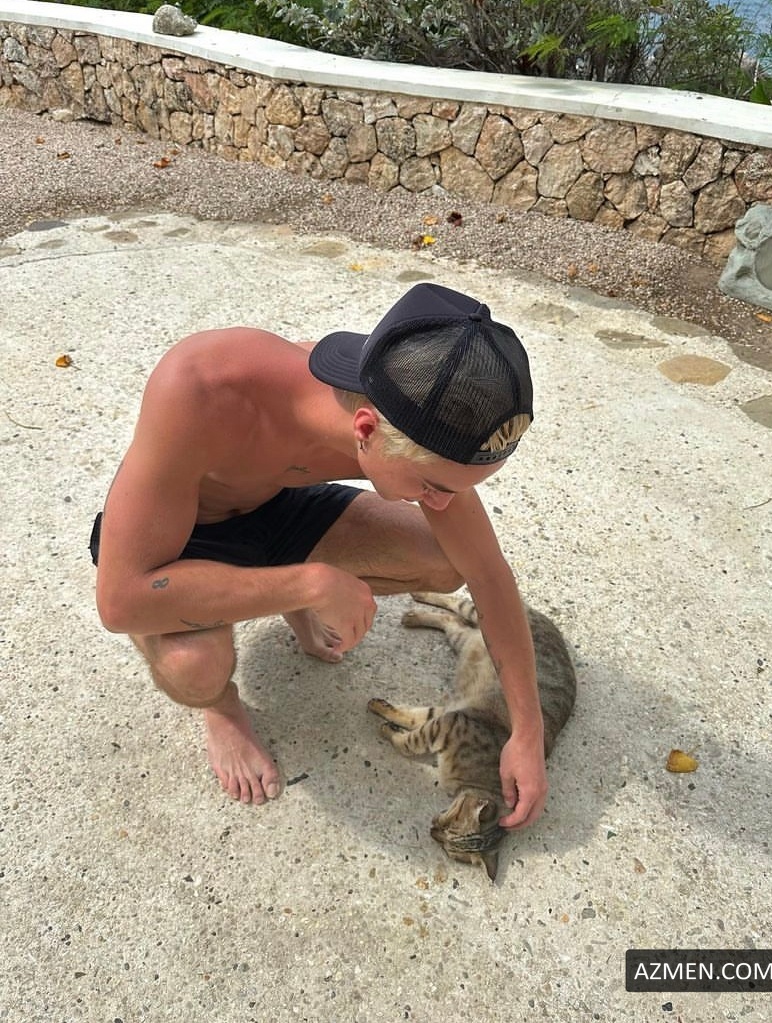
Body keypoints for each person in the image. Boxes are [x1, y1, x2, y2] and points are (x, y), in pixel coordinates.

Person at [90, 282, 547, 829]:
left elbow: (487, 574)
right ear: (365, 429)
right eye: (431, 486)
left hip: (278, 505)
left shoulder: (413, 407)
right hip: (185, 540)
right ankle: (222, 708)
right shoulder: (202, 388)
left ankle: (290, 589)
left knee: (443, 561)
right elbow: (120, 603)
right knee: (197, 668)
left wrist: (527, 731)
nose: (443, 503)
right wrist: (310, 586)